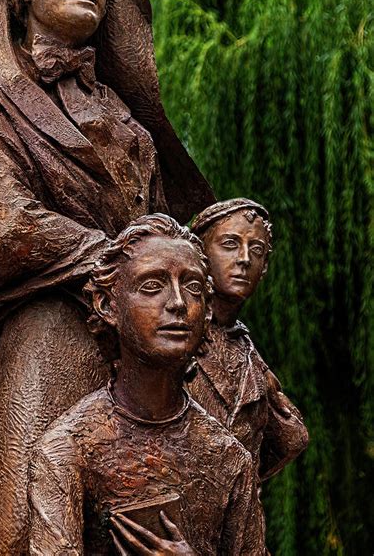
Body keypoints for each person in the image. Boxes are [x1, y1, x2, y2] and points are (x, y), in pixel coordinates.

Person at [0, 0, 213, 554]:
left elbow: (160, 222)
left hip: (144, 343)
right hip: (51, 326)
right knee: (23, 509)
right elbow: (2, 227)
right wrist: (127, 265)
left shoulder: (125, 116)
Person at [28, 214, 265, 555]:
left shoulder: (228, 457)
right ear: (108, 305)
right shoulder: (67, 451)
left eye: (193, 287)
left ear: (208, 311)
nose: (178, 303)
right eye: (152, 286)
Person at [189, 198, 309, 482]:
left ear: (265, 267)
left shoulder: (249, 354)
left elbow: (290, 441)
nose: (244, 259)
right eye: (230, 244)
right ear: (199, 254)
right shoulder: (170, 337)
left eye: (256, 250)